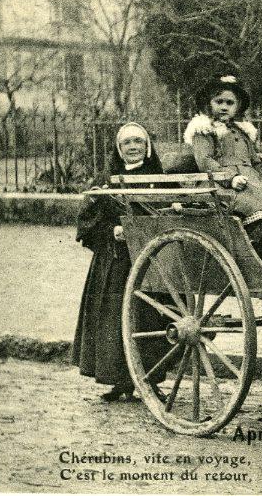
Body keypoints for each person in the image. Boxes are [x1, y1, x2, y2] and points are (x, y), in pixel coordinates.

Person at [73, 122, 172, 402]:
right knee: (116, 318)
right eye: (127, 143)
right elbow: (87, 222)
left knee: (149, 317)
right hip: (116, 262)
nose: (133, 147)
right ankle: (120, 381)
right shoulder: (106, 180)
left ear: (147, 146)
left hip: (151, 261)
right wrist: (111, 232)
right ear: (119, 148)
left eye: (138, 142)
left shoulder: (159, 179)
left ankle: (150, 380)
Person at [184, 75, 262, 263]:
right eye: (219, 101)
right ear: (208, 103)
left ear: (237, 106)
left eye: (230, 102)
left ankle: (257, 251)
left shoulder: (242, 132)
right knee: (255, 209)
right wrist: (230, 178)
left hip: (253, 182)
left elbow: (256, 162)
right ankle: (242, 251)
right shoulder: (203, 130)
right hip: (221, 184)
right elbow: (205, 160)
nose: (224, 107)